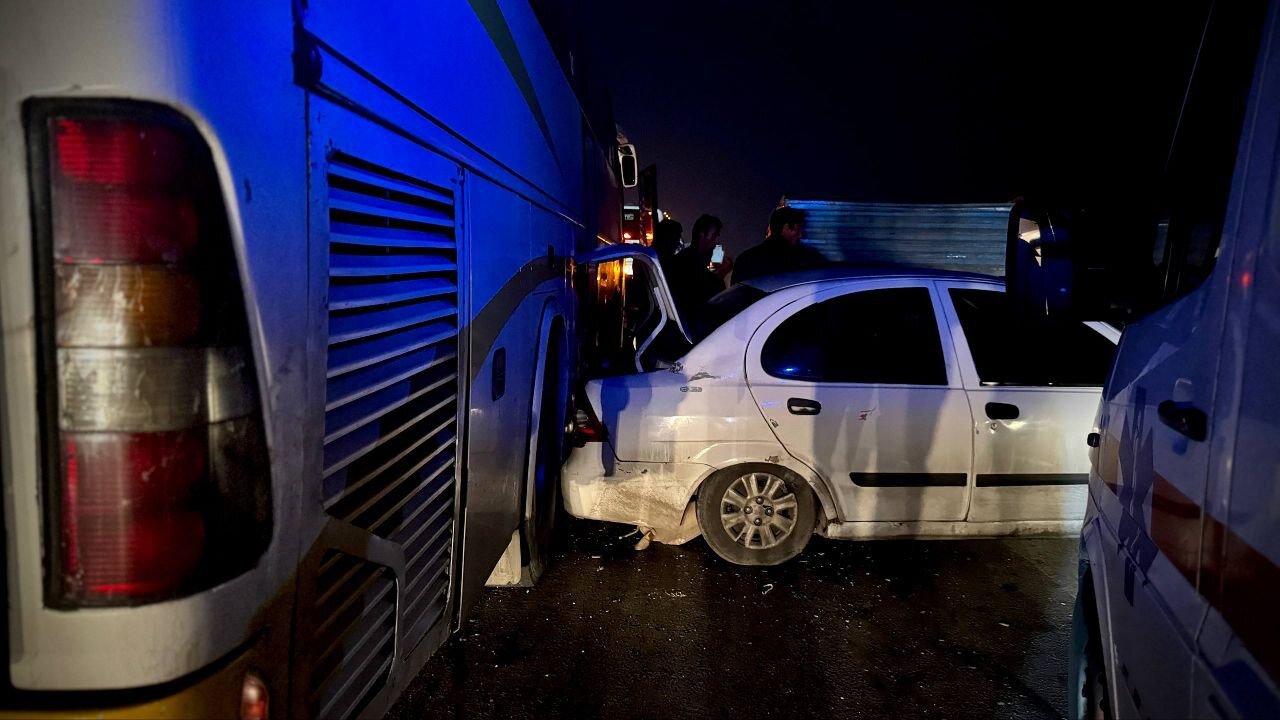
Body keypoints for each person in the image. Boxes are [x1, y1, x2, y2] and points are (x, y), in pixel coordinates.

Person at [732, 206, 826, 284]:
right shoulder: (797, 261)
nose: (800, 235)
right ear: (786, 227)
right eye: (798, 229)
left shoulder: (745, 258)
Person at [667, 214, 732, 323]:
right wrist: (722, 274)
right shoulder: (686, 261)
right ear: (702, 234)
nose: (716, 240)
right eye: (714, 235)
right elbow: (705, 294)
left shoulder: (700, 257)